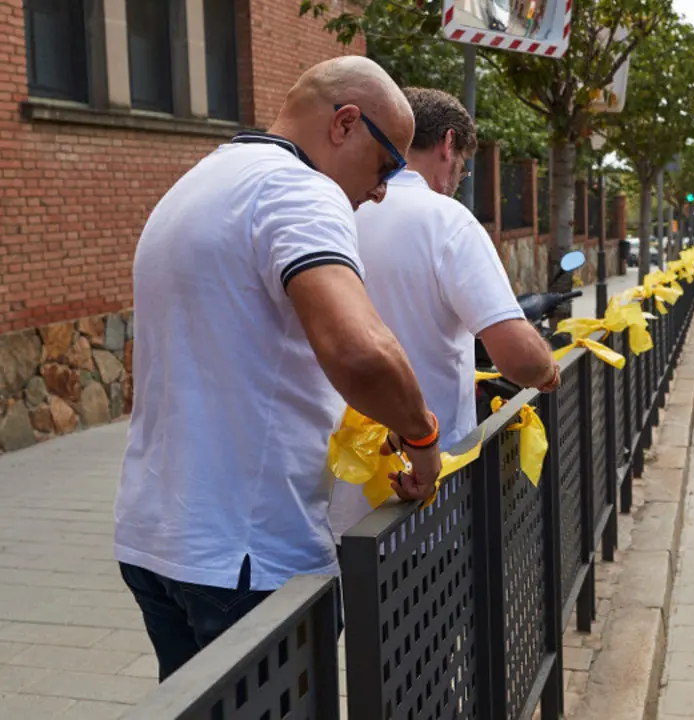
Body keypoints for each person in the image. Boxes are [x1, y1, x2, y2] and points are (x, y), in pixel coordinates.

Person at [115, 57, 444, 681]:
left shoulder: (199, 181)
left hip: (157, 539)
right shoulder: (298, 188)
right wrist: (422, 436)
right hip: (248, 554)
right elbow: (360, 350)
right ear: (346, 123)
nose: (380, 191)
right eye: (386, 166)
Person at [328, 87, 559, 537]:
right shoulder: (447, 221)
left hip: (331, 493)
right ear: (448, 144)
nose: (459, 177)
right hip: (419, 494)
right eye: (463, 165)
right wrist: (548, 368)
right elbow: (517, 357)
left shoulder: (336, 210)